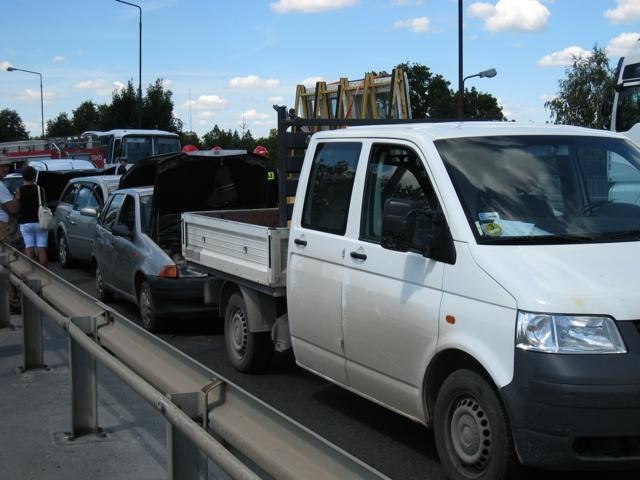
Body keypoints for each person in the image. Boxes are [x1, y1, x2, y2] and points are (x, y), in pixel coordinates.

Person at [14, 165, 48, 267]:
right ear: (34, 176)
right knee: (42, 250)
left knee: (29, 249)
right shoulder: (40, 189)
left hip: (25, 223)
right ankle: (44, 273)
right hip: (40, 222)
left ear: (23, 176)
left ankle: (31, 272)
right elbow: (44, 203)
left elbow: (17, 206)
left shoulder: (19, 190)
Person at [0, 154, 19, 244]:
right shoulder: (0, 186)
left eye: (7, 166)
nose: (6, 169)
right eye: (2, 166)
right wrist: (17, 198)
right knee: (7, 256)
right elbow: (13, 209)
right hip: (2, 226)